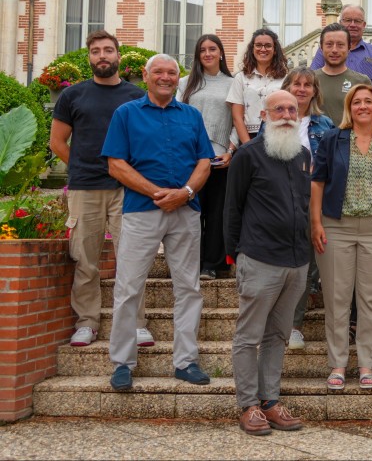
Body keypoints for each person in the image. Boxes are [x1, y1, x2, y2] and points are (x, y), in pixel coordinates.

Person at [102, 54, 214, 391]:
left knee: (189, 288)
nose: (166, 77)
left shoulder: (192, 115)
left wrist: (186, 192)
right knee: (128, 288)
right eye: (159, 72)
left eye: (171, 73)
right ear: (146, 75)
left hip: (186, 212)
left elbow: (204, 162)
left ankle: (186, 362)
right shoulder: (126, 114)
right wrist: (158, 193)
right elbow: (116, 165)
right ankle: (123, 363)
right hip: (141, 211)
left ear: (178, 78)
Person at [49, 30, 151, 348]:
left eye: (108, 50)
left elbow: (145, 142)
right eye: (96, 51)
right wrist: (81, 165)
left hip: (127, 190)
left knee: (131, 260)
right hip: (85, 189)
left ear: (118, 55)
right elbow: (57, 142)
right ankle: (87, 323)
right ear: (89, 57)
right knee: (85, 260)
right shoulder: (72, 96)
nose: (102, 56)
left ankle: (136, 323)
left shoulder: (136, 96)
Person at [225, 90, 311, 436]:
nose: (287, 114)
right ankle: (248, 405)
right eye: (279, 109)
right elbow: (232, 208)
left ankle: (270, 401)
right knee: (249, 337)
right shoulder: (247, 155)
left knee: (278, 335)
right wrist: (235, 255)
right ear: (264, 115)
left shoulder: (303, 155)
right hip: (259, 257)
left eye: (292, 109)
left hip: (297, 260)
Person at [311, 85, 372, 390]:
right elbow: (317, 182)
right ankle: (337, 364)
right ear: (349, 108)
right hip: (336, 226)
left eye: (369, 101)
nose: (363, 106)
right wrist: (316, 223)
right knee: (337, 298)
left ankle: (366, 364)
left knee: (371, 299)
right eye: (357, 102)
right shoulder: (332, 139)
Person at [281, 67, 335, 350]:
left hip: (314, 199)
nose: (301, 89)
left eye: (307, 85)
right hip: (281, 201)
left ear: (315, 91)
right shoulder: (274, 120)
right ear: (287, 87)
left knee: (306, 264)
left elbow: (334, 163)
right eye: (296, 84)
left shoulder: (325, 124)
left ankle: (294, 327)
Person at [177, 34, 235, 281]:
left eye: (213, 49)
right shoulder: (185, 83)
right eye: (203, 50)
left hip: (219, 157)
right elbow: (178, 117)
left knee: (216, 212)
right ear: (197, 55)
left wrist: (231, 151)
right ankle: (190, 263)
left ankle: (211, 264)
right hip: (191, 158)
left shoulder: (234, 83)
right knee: (191, 212)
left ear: (221, 53)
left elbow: (238, 119)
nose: (208, 53)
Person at [227, 29, 287, 144]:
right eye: (258, 45)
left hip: (279, 136)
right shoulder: (241, 78)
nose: (263, 49)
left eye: (268, 45)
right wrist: (248, 146)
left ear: (275, 50)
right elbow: (237, 117)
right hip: (249, 137)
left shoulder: (285, 79)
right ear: (252, 49)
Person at [310, 5, 372, 89]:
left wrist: (369, 96)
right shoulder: (326, 51)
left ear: (364, 25)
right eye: (348, 20)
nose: (352, 25)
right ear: (340, 23)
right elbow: (312, 78)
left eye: (357, 21)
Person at [314, 22, 372, 124]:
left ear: (349, 48)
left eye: (340, 45)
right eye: (329, 44)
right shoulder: (310, 80)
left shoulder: (361, 81)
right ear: (321, 48)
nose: (334, 50)